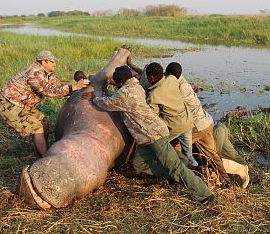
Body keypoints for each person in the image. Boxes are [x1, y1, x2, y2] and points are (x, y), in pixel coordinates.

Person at [88, 65, 214, 203]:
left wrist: (94, 97)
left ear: (120, 82)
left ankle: (205, 194)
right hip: (147, 136)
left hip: (154, 135)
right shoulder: (135, 86)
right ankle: (173, 174)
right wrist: (108, 92)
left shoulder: (125, 94)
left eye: (116, 83)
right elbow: (118, 97)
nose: (115, 84)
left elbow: (106, 103)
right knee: (139, 164)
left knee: (175, 167)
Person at [165, 62, 249, 188]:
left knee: (174, 148)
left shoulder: (179, 89)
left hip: (197, 127)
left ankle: (193, 178)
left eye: (167, 74)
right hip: (207, 122)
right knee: (212, 156)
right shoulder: (182, 81)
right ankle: (227, 180)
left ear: (171, 75)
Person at [0, 50, 90, 157]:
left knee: (44, 122)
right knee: (37, 127)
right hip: (9, 105)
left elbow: (57, 86)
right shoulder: (35, 72)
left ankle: (41, 149)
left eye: (54, 61)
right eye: (51, 61)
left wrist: (77, 90)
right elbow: (47, 90)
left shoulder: (47, 74)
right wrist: (74, 87)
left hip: (22, 105)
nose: (54, 64)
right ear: (43, 62)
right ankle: (46, 158)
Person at [145, 62, 198, 167]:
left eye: (147, 77)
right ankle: (197, 170)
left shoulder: (153, 95)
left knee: (158, 147)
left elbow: (154, 118)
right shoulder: (172, 79)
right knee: (188, 154)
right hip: (187, 122)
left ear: (151, 78)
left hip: (175, 126)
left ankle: (173, 169)